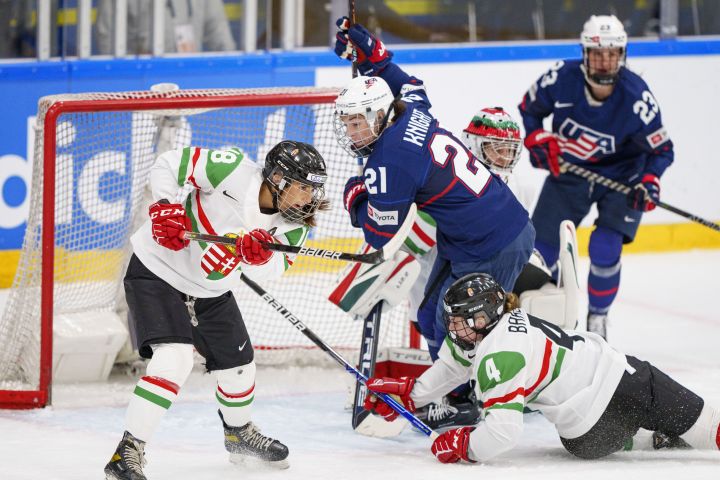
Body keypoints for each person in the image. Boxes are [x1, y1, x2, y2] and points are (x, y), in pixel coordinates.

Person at [104, 140, 329, 479]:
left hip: (210, 289)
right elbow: (169, 163)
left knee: (240, 367)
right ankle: (127, 452)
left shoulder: (293, 226)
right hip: (157, 270)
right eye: (302, 187)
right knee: (174, 359)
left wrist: (260, 256)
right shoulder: (233, 170)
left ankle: (238, 435)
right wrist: (165, 206)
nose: (308, 198)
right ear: (278, 178)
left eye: (313, 189)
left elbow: (273, 270)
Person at [363, 272, 720, 464]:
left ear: (485, 317)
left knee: (645, 427)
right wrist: (415, 395)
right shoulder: (503, 328)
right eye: (453, 321)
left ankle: (650, 440)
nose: (455, 329)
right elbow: (498, 426)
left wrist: (464, 444)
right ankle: (690, 431)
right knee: (709, 427)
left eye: (462, 322)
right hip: (624, 386)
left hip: (585, 440)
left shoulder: (495, 352)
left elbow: (498, 429)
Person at [518, 14, 674, 339]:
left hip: (622, 177)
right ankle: (548, 318)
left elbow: (662, 150)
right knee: (542, 254)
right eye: (597, 54)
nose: (604, 62)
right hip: (569, 173)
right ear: (584, 53)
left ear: (623, 55)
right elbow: (528, 108)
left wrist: (650, 180)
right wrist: (537, 138)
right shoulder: (561, 77)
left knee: (604, 247)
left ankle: (597, 319)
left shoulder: (636, 98)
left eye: (612, 54)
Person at [96, 0, 236, 55]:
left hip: (189, 77)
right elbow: (107, 36)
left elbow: (220, 33)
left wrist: (233, 68)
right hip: (141, 82)